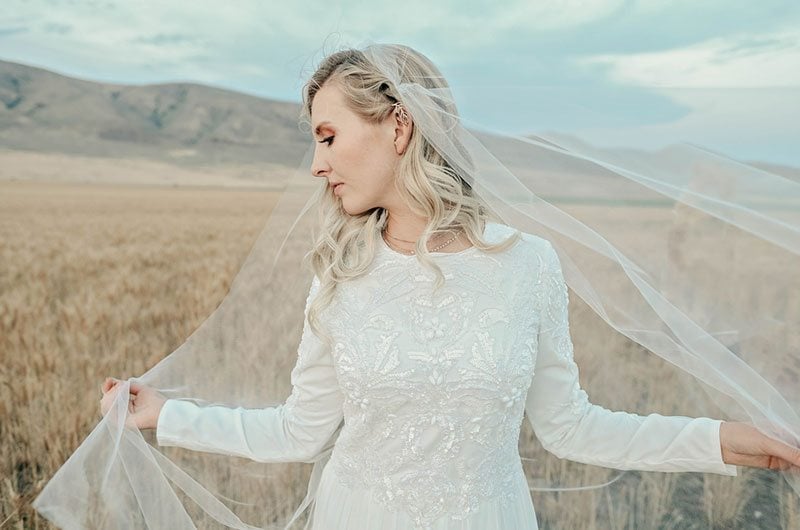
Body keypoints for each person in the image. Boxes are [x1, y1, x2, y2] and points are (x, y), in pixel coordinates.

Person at [93, 44, 800, 530]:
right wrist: (165, 415)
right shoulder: (339, 279)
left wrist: (724, 440)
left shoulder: (530, 266)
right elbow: (297, 433)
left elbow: (572, 426)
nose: (316, 163)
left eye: (329, 136)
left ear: (398, 126)